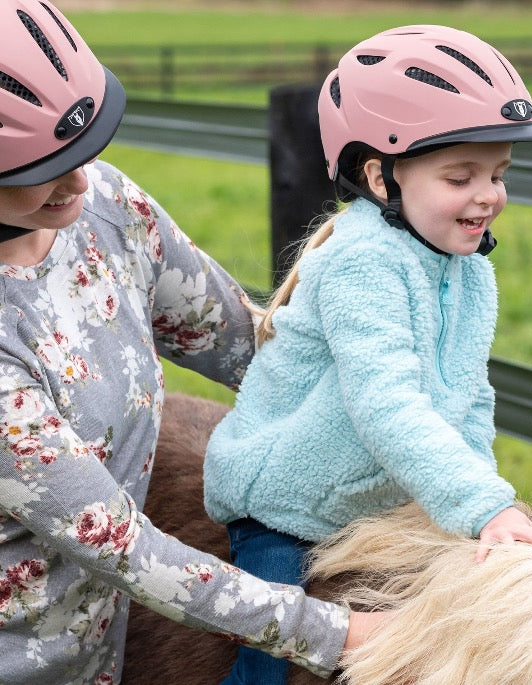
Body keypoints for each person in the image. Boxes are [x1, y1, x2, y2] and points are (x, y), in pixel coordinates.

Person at [0, 2, 383, 683]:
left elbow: (252, 346)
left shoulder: (107, 212)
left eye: (87, 147)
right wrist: (339, 630)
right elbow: (125, 548)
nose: (83, 180)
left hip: (103, 646)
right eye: (43, 167)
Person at [204, 24, 532, 685]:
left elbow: (468, 396)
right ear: (379, 176)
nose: (489, 195)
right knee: (272, 653)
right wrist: (484, 505)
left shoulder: (469, 271)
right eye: (461, 176)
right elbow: (385, 403)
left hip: (371, 493)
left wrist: (477, 506)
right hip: (286, 503)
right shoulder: (362, 263)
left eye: (498, 174)